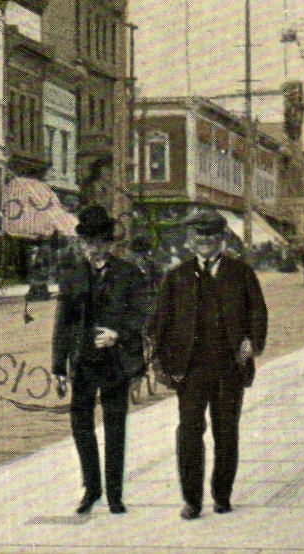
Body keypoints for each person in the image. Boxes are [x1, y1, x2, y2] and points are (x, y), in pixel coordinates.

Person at [149, 209, 268, 520]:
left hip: (230, 366)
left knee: (226, 432)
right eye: (199, 237)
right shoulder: (176, 276)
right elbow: (160, 322)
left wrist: (251, 342)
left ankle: (222, 495)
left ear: (222, 238)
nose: (205, 242)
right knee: (189, 432)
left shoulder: (241, 273)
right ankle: (192, 500)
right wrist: (164, 362)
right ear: (191, 240)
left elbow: (258, 312)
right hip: (190, 369)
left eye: (212, 236)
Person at [51, 205, 153, 515]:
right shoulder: (72, 276)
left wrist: (117, 333)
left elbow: (143, 314)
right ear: (82, 244)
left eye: (100, 242)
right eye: (88, 243)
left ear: (110, 243)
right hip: (83, 362)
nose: (94, 249)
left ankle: (115, 494)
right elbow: (63, 323)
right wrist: (58, 367)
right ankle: (92, 488)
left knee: (115, 427)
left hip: (116, 363)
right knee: (81, 426)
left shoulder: (129, 274)